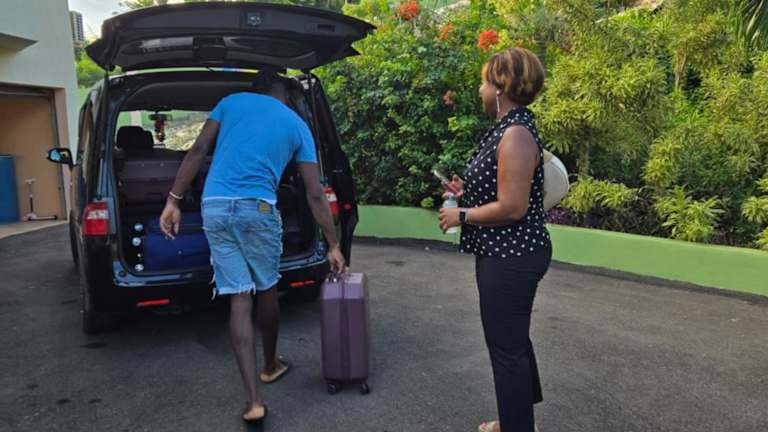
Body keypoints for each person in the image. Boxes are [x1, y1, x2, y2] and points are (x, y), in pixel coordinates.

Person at [158, 71, 346, 423]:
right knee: (267, 287)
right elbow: (314, 193)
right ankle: (270, 365)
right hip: (256, 209)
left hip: (214, 206)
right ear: (283, 95)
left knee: (239, 298)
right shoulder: (296, 124)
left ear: (255, 90)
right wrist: (332, 244)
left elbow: (198, 150)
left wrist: (173, 201)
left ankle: (253, 401)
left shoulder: (230, 103)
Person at [438, 48, 551, 432]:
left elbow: (513, 207)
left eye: (485, 82)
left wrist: (462, 214)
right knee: (512, 343)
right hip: (505, 252)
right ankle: (518, 420)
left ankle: (517, 425)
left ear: (501, 87)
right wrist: (465, 192)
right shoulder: (508, 129)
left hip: (512, 256)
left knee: (506, 350)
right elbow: (501, 190)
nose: (480, 89)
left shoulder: (516, 134)